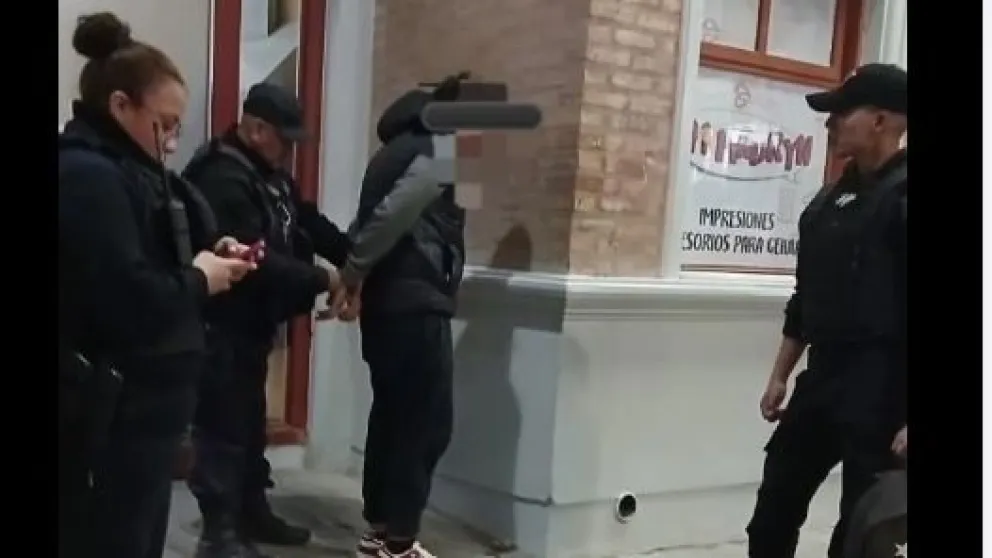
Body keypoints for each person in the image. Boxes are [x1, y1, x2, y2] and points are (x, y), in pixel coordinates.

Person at [58, 12, 256, 558]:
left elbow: (156, 246)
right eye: (164, 124)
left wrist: (213, 251)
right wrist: (200, 279)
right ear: (120, 105)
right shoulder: (88, 176)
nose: (171, 142)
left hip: (147, 408)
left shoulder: (132, 170)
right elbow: (127, 296)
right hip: (112, 413)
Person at [182, 82, 353, 557]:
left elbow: (307, 220)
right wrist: (325, 279)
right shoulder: (221, 176)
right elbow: (256, 260)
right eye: (285, 139)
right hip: (220, 324)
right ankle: (219, 532)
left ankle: (251, 511)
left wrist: (354, 261)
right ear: (257, 129)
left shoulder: (268, 175)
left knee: (249, 423)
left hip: (253, 324)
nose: (291, 151)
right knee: (222, 429)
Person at [745, 63, 908, 558]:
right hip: (823, 376)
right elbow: (804, 298)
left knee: (861, 532)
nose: (830, 122)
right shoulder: (828, 200)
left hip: (884, 385)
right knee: (773, 511)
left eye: (842, 112)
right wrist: (780, 374)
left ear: (880, 121)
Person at [333, 73, 467, 558]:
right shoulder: (442, 148)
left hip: (389, 307)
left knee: (391, 417)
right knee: (426, 424)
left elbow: (371, 219)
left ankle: (380, 532)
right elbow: (395, 212)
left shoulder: (393, 151)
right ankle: (399, 543)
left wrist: (355, 276)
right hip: (417, 305)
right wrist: (353, 271)